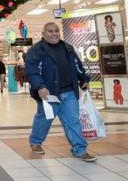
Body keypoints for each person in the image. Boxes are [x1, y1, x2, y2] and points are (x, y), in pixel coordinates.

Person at [24, 22, 96, 162]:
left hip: (69, 91)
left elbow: (77, 66)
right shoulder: (37, 50)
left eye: (56, 30)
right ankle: (36, 142)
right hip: (49, 93)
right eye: (50, 31)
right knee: (44, 119)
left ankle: (80, 149)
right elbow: (31, 71)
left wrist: (83, 78)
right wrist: (40, 86)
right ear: (43, 34)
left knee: (73, 121)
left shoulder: (67, 48)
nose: (54, 33)